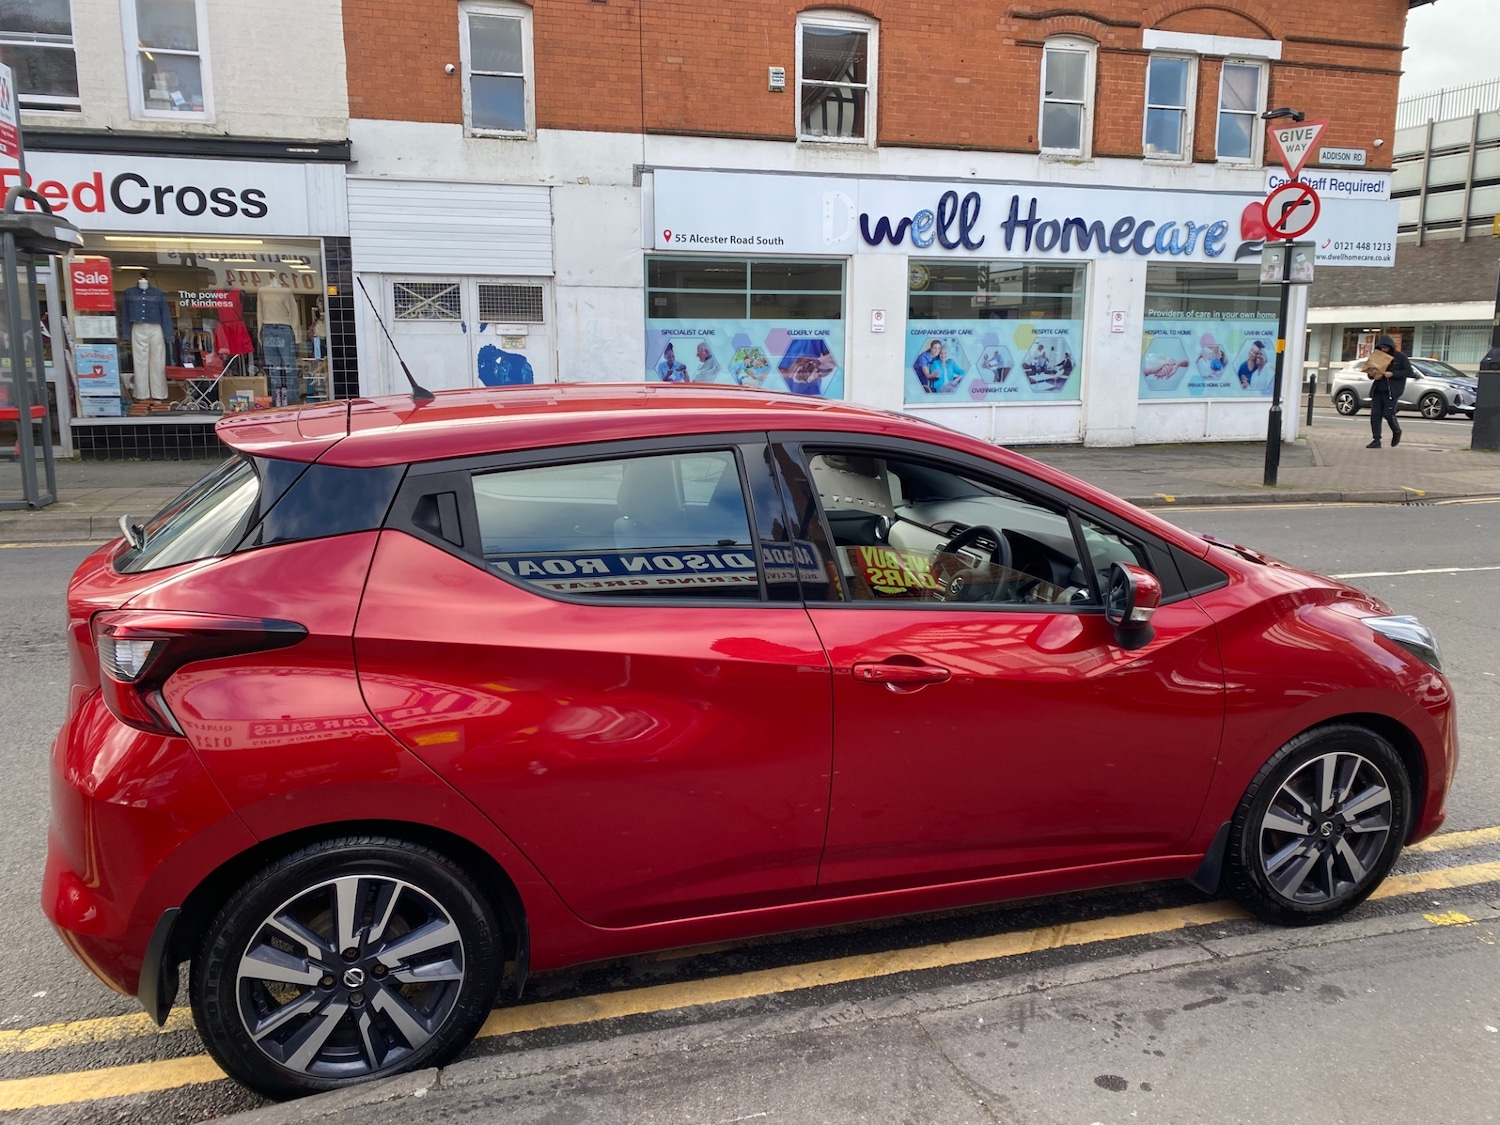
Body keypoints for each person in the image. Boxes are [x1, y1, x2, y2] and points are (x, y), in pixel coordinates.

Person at [1367, 334, 1411, 448]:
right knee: (1375, 415)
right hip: (1378, 389)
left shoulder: (1400, 357)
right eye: (1381, 348)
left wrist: (1393, 374)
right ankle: (1376, 440)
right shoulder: (1377, 357)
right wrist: (1371, 374)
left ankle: (1396, 431)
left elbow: (1409, 372)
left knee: (1388, 414)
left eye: (1386, 348)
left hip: (1392, 390)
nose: (1384, 350)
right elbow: (1370, 375)